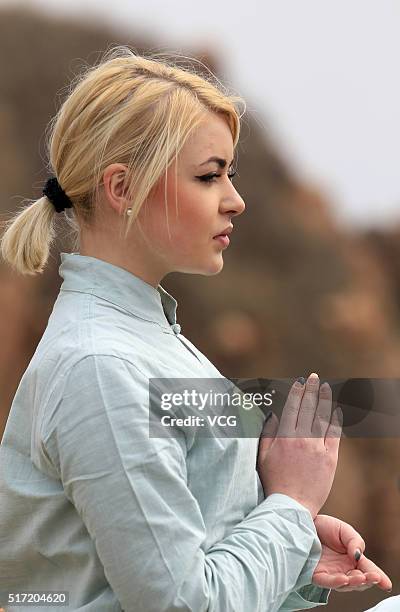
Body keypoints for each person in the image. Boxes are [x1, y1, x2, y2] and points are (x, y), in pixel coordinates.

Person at [0, 46, 392, 611]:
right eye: (210, 176)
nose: (235, 199)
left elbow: (189, 544)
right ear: (122, 189)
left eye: (229, 173)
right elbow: (183, 606)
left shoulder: (151, 339)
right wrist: (291, 508)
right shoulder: (102, 370)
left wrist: (295, 547)